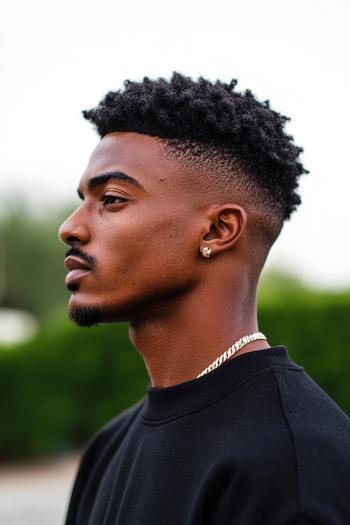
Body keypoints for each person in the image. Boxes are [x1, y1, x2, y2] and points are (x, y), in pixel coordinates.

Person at [59, 72, 350, 525]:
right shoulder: (108, 447)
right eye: (82, 199)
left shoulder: (293, 468)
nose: (70, 227)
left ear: (218, 230)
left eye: (111, 199)